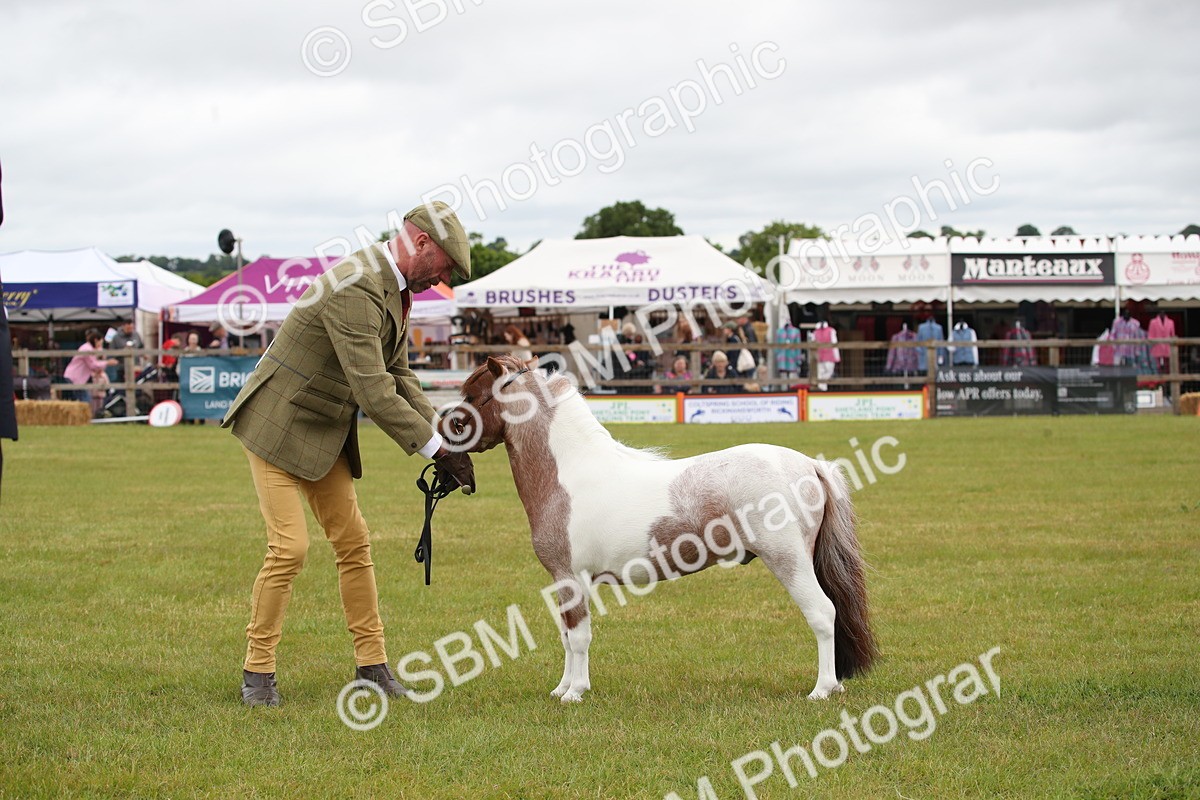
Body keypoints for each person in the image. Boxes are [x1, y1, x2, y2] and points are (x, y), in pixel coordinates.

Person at [222, 201, 476, 708]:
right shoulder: (357, 285)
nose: (443, 280)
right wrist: (436, 450)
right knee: (289, 549)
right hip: (275, 426)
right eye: (445, 267)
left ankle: (372, 666)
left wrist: (443, 436)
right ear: (421, 242)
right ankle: (258, 672)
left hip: (322, 430)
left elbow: (399, 374)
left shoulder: (395, 290)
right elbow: (374, 390)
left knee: (354, 543)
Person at [63, 329, 118, 415]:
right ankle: (85, 417)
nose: (100, 346)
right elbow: (93, 364)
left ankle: (82, 417)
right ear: (96, 340)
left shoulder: (87, 348)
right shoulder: (87, 349)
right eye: (100, 343)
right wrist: (107, 362)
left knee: (82, 399)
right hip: (75, 377)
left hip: (77, 378)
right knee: (85, 400)